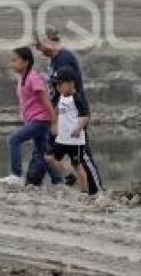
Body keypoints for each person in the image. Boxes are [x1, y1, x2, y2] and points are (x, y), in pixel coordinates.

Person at [35, 27, 104, 194]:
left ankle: (96, 190)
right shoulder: (55, 60)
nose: (38, 50)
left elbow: (66, 89)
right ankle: (41, 180)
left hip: (73, 113)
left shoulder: (64, 59)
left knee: (82, 154)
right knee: (48, 148)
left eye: (39, 45)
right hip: (62, 112)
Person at [0, 46, 56, 185]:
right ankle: (59, 181)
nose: (11, 64)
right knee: (44, 153)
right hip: (33, 120)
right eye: (11, 60)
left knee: (13, 139)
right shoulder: (22, 78)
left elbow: (45, 100)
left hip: (40, 120)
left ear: (25, 62)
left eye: (15, 60)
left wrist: (54, 121)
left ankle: (16, 175)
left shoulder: (33, 78)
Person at [45, 67, 91, 192]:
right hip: (61, 139)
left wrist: (78, 128)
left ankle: (85, 191)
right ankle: (69, 176)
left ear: (71, 83)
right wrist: (54, 125)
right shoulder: (60, 97)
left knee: (77, 165)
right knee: (49, 157)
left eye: (60, 84)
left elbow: (85, 116)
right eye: (56, 85)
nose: (57, 87)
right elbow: (57, 111)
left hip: (75, 141)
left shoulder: (77, 98)